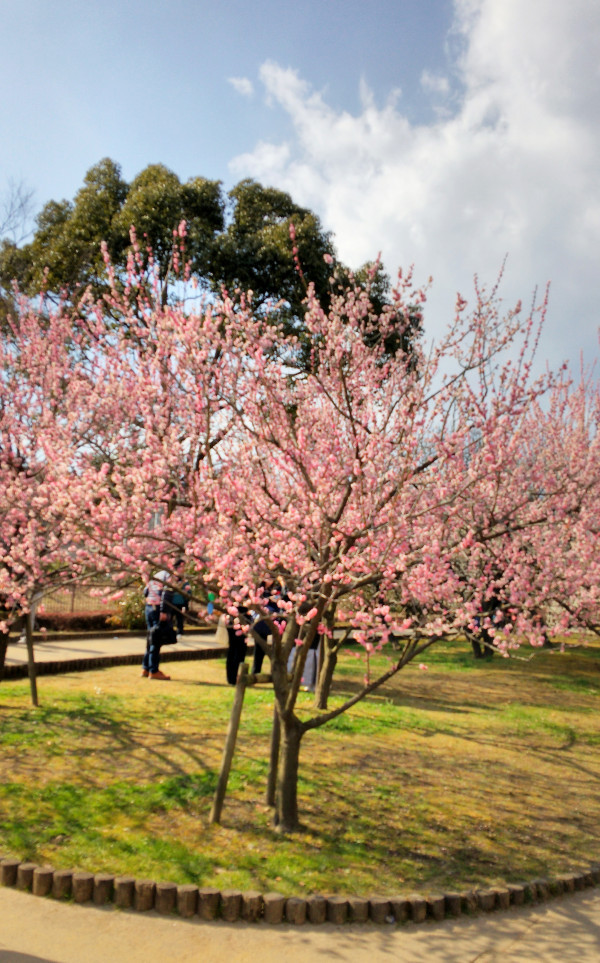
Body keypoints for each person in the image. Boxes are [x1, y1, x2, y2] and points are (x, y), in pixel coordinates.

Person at [142, 570, 174, 680]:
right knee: (156, 640)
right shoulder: (168, 575)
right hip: (157, 610)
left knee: (150, 639)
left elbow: (145, 591)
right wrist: (164, 611)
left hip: (149, 607)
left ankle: (146, 668)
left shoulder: (156, 575)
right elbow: (167, 593)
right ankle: (154, 671)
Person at [171, 558, 191, 635]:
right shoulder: (172, 577)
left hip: (181, 602)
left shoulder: (184, 580)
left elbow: (188, 592)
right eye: (181, 567)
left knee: (180, 619)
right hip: (171, 602)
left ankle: (180, 632)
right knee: (170, 619)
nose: (183, 569)